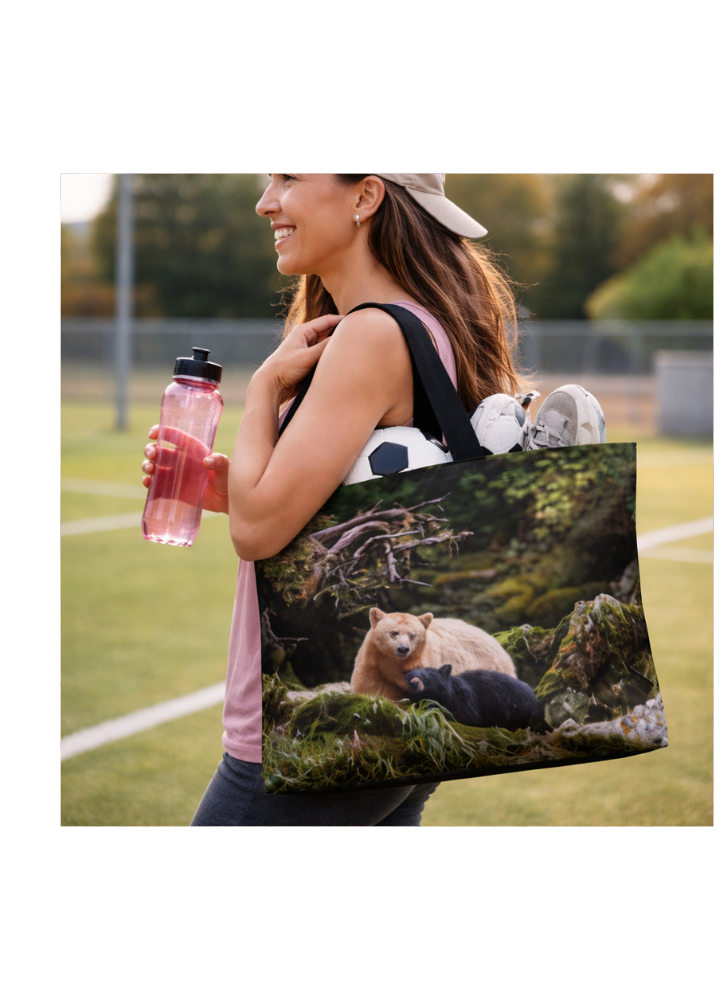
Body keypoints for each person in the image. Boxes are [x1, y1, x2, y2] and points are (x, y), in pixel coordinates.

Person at [143, 173, 534, 825]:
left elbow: (257, 533)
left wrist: (265, 386)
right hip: (397, 744)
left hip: (303, 756)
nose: (265, 200)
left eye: (289, 177)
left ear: (366, 196)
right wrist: (231, 487)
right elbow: (313, 502)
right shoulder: (420, 323)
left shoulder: (370, 336)